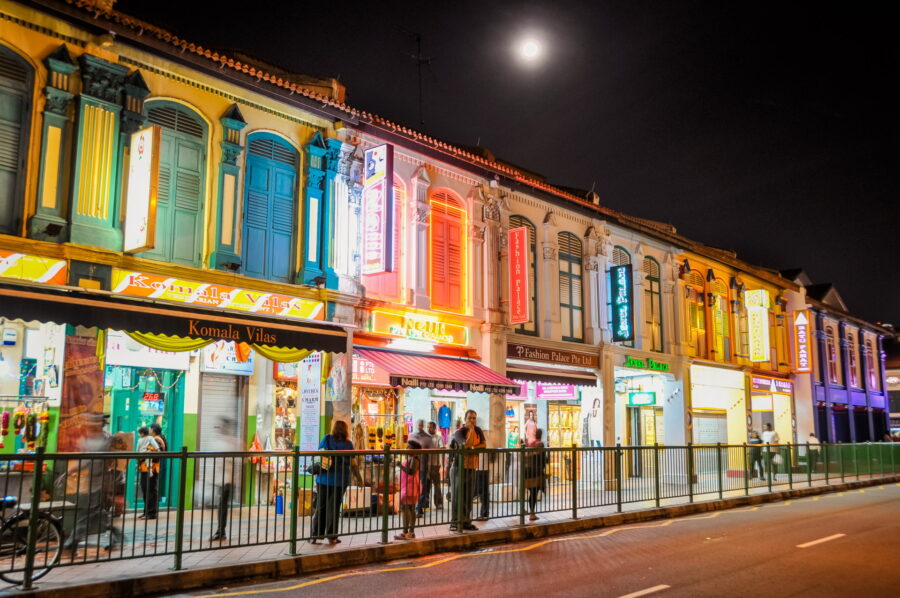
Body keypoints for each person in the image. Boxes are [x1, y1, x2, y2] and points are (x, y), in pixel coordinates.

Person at [63, 413, 119, 553]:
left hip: (102, 483)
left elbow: (88, 461)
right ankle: (114, 537)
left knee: (89, 515)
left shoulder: (102, 440)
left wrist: (70, 471)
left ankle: (72, 542)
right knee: (98, 513)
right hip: (97, 483)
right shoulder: (103, 439)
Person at [311, 420, 362, 545]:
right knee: (334, 508)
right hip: (340, 480)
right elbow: (354, 464)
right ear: (345, 430)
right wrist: (359, 479)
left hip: (323, 478)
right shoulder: (348, 444)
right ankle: (332, 536)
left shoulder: (327, 439)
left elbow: (318, 455)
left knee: (320, 507)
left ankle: (315, 535)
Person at [448, 409, 486, 531]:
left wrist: (474, 447)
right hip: (458, 468)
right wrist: (471, 431)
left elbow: (484, 445)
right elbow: (466, 444)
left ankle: (466, 522)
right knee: (457, 496)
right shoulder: (460, 432)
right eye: (470, 418)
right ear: (465, 419)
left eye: (474, 418)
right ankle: (454, 522)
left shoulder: (479, 430)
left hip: (471, 467)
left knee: (468, 497)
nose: (472, 420)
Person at [210, 417, 241, 541]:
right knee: (221, 506)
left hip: (227, 480)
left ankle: (220, 531)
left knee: (222, 506)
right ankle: (220, 531)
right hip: (222, 479)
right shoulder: (227, 441)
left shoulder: (231, 442)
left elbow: (239, 459)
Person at [396, 439, 422, 540]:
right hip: (407, 486)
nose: (406, 448)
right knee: (410, 508)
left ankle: (406, 532)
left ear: (413, 449)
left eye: (408, 446)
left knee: (406, 508)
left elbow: (411, 471)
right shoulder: (411, 457)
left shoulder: (414, 459)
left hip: (409, 486)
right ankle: (410, 532)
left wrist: (400, 466)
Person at [523, 428, 548, 521]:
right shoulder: (540, 444)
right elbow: (543, 458)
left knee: (531, 492)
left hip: (527, 471)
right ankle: (532, 513)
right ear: (541, 435)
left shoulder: (530, 443)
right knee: (534, 492)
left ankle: (530, 512)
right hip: (536, 471)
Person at [137, 426, 160, 520]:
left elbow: (157, 451)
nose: (149, 430)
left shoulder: (157, 439)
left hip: (151, 468)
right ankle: (146, 512)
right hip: (145, 468)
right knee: (145, 489)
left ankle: (151, 513)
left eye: (150, 428)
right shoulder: (151, 439)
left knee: (150, 490)